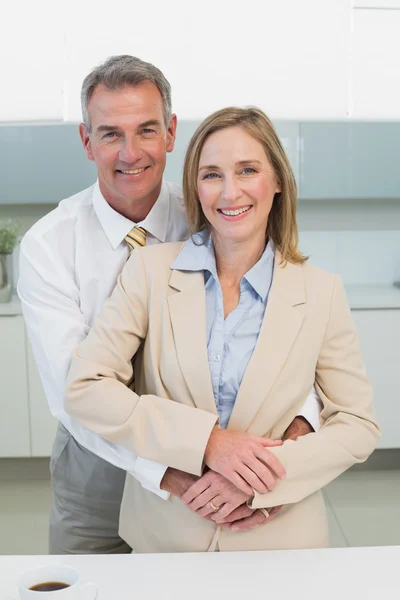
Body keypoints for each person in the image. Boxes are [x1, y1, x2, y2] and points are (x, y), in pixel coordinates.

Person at [18, 56, 319, 555]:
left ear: (172, 132)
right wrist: (179, 470)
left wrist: (293, 436)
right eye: (111, 133)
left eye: (147, 130)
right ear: (86, 141)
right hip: (100, 465)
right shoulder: (48, 245)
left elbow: (288, 332)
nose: (131, 153)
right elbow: (73, 393)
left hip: (221, 457)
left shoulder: (215, 214)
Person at [64, 106, 380, 553]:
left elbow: (356, 423)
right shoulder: (150, 271)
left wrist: (259, 481)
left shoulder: (321, 292)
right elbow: (86, 387)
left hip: (279, 543)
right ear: (195, 186)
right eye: (212, 175)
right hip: (164, 538)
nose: (230, 193)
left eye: (247, 170)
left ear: (277, 182)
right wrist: (207, 442)